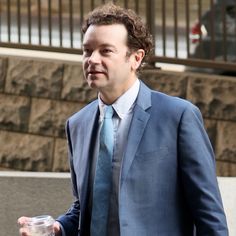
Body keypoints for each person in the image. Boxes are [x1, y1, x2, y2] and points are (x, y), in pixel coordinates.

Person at [18, 3, 228, 236]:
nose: (92, 60)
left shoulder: (178, 117)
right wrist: (58, 228)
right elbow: (85, 207)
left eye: (106, 51)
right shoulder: (77, 124)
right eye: (87, 50)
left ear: (136, 58)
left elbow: (209, 215)